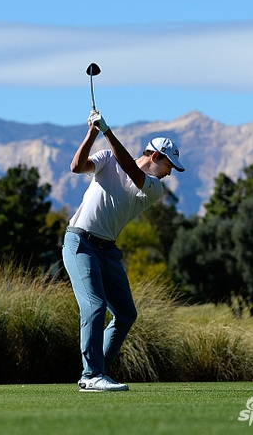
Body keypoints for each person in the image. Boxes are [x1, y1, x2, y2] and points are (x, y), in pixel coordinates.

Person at [62, 110, 184, 392]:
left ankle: (95, 372)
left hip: (108, 251)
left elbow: (130, 168)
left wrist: (107, 131)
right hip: (80, 243)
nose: (169, 174)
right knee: (95, 305)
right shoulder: (107, 158)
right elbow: (76, 167)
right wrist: (93, 132)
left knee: (126, 314)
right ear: (155, 156)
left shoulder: (153, 189)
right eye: (169, 165)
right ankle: (91, 375)